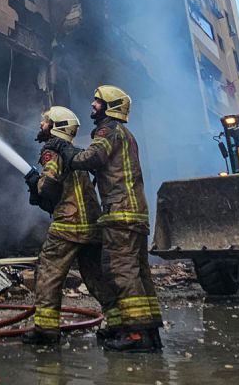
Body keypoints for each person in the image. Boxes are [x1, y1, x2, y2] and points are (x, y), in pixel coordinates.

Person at [67, 85, 163, 352]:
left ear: (109, 107)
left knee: (120, 271)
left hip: (119, 214)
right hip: (136, 214)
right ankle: (149, 331)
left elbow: (91, 157)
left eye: (97, 102)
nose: (92, 106)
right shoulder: (127, 134)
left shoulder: (107, 130)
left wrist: (68, 153)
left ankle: (135, 336)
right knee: (139, 273)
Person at [21, 106, 121, 345]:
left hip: (68, 225)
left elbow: (49, 186)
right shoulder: (75, 153)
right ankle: (118, 323)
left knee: (48, 273)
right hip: (92, 225)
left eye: (46, 122)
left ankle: (46, 330)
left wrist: (36, 183)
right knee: (96, 277)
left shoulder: (51, 152)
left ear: (56, 127)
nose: (41, 126)